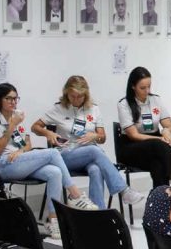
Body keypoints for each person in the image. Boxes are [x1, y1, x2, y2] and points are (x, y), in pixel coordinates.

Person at [0, 83, 97, 241]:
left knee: (54, 172)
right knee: (52, 152)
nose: (13, 102)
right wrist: (12, 126)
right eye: (8, 98)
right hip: (2, 165)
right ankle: (75, 195)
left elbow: (27, 143)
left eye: (15, 99)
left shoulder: (16, 115)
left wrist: (21, 150)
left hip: (20, 161)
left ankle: (53, 220)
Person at [31, 76, 144, 219]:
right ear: (66, 93)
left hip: (88, 156)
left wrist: (94, 136)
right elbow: (35, 127)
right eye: (73, 96)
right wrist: (47, 132)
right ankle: (123, 190)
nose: (76, 99)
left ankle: (97, 216)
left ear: (86, 94)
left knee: (96, 168)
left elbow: (102, 138)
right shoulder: (58, 108)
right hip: (66, 155)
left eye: (80, 96)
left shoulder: (94, 109)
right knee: (94, 150)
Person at [117, 67, 171, 189]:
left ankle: (158, 201)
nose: (147, 91)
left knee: (158, 165)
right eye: (142, 88)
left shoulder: (156, 100)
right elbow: (134, 135)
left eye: (149, 86)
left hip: (155, 150)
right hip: (130, 148)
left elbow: (170, 126)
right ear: (133, 86)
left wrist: (166, 131)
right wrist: (159, 139)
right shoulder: (124, 104)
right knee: (158, 145)